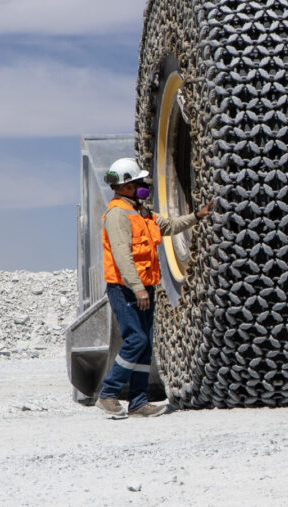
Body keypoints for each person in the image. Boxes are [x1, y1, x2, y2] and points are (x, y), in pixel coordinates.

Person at [95, 157, 212, 418]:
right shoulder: (117, 215)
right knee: (135, 339)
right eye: (137, 182)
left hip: (144, 287)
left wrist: (196, 216)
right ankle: (108, 393)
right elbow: (122, 257)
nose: (142, 186)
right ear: (124, 187)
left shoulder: (142, 212)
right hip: (126, 289)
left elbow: (168, 226)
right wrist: (137, 289)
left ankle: (138, 402)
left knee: (146, 344)